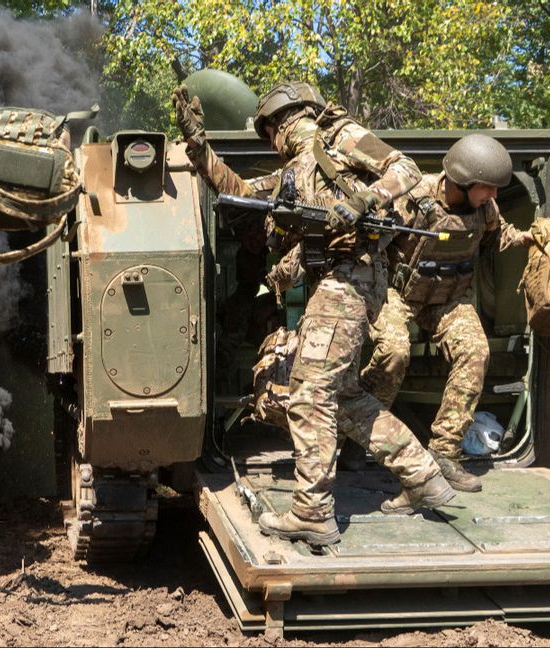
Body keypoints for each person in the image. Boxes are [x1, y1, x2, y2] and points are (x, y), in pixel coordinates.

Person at [173, 81, 455, 547]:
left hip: (349, 279)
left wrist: (362, 202)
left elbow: (404, 167)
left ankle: (312, 511)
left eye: (269, 133)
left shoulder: (341, 135)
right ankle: (423, 476)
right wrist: (199, 146)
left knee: (308, 394)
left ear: (285, 120)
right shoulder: (291, 173)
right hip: (337, 283)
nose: (271, 143)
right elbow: (240, 192)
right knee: (344, 396)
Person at [358, 134, 534, 493]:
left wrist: (534, 237)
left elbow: (500, 236)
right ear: (463, 181)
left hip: (447, 299)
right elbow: (370, 243)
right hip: (398, 293)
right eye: (488, 187)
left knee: (475, 351)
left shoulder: (485, 209)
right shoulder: (412, 196)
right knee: (394, 352)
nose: (494, 195)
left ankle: (444, 453)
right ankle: (358, 436)